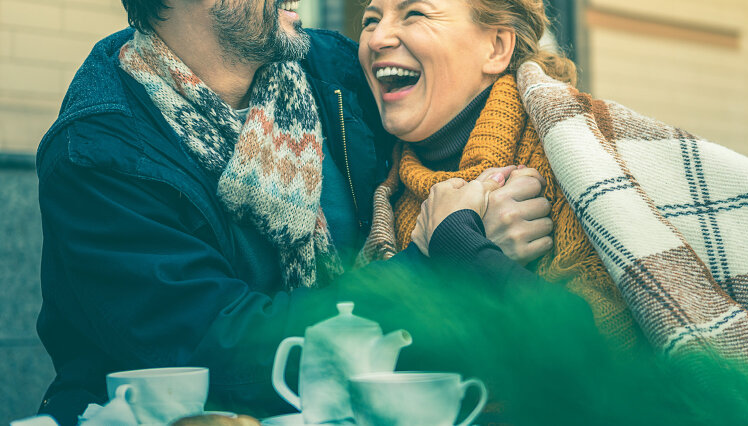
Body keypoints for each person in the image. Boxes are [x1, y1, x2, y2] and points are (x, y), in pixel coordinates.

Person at [35, 0, 555, 424]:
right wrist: (439, 261)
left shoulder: (333, 72)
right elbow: (221, 350)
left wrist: (497, 189)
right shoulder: (100, 153)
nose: (379, 34)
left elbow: (458, 95)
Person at [357, 0, 646, 350]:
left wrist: (459, 247)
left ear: (496, 48)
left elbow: (607, 361)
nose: (377, 39)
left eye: (415, 13)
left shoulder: (579, 164)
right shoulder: (369, 181)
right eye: (370, 20)